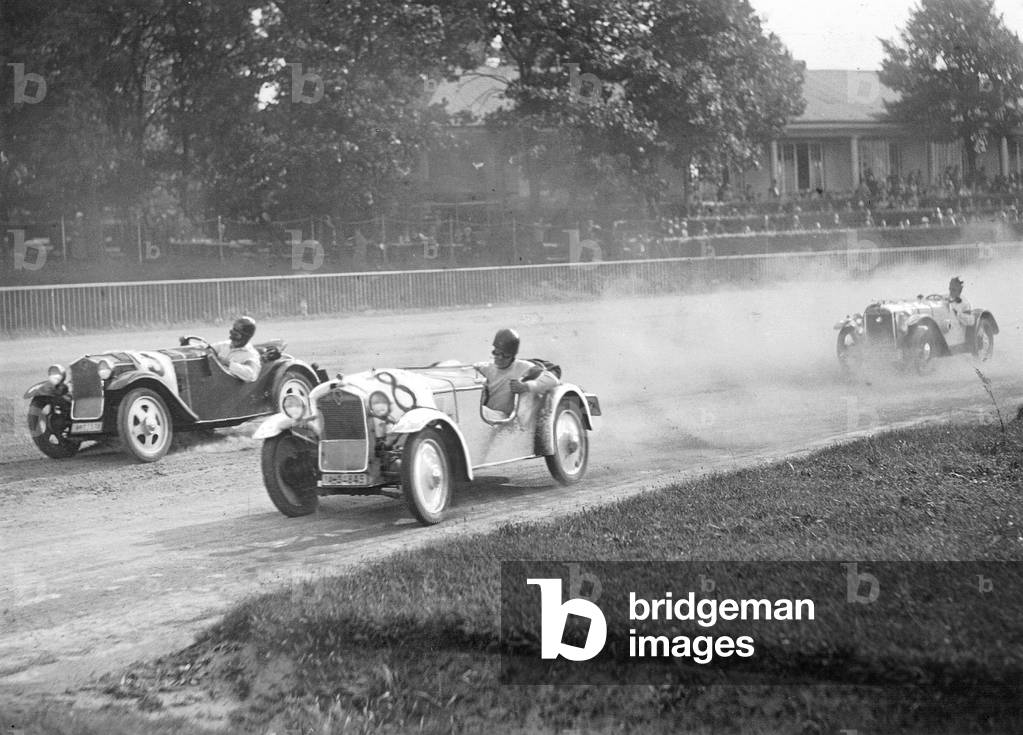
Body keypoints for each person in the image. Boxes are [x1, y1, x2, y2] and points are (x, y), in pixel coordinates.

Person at [473, 328, 559, 420]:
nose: (500, 358)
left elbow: (552, 380)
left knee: (475, 413)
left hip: (501, 417)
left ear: (513, 356)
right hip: (486, 415)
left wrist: (525, 386)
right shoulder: (485, 368)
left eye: (505, 355)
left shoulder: (523, 367)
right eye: (497, 353)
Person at [211, 316, 261, 382]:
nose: (232, 338)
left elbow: (251, 375)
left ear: (246, 337)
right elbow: (207, 349)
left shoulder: (250, 354)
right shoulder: (224, 345)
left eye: (236, 335)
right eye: (232, 332)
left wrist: (229, 364)